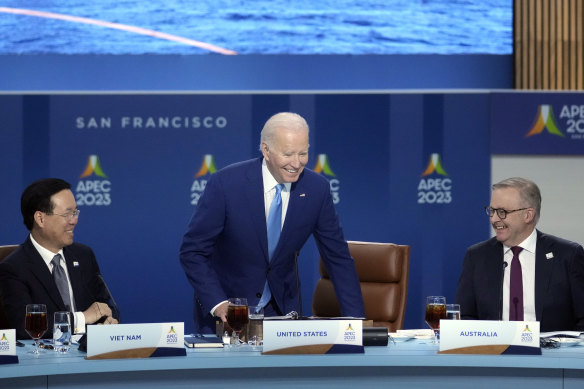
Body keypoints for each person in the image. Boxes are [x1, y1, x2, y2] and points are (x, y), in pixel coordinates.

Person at [180, 112, 365, 333]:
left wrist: (357, 323)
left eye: (303, 153)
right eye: (288, 154)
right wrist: (219, 303)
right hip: (228, 314)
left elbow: (338, 258)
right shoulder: (226, 185)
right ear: (266, 150)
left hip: (283, 315)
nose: (296, 163)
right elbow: (193, 252)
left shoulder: (317, 190)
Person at [455, 177, 584, 332]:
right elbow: (464, 317)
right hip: (493, 354)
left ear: (528, 215)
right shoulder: (476, 256)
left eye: (502, 212)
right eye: (492, 211)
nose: (494, 219)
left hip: (552, 354)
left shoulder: (567, 256)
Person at [0, 178, 119, 340]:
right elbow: (24, 327)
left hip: (90, 356)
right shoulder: (13, 268)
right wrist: (82, 318)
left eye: (75, 212)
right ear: (40, 219)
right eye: (67, 214)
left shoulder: (84, 256)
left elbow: (106, 305)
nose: (74, 221)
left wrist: (108, 321)